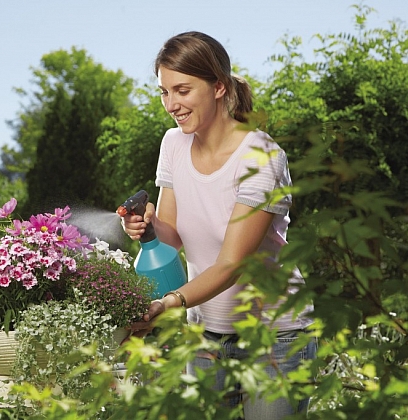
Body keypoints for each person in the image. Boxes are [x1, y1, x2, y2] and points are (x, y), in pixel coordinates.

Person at [120, 31, 316, 419]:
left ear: (218, 87)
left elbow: (231, 263)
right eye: (163, 92)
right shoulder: (173, 144)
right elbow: (174, 234)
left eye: (182, 90)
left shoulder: (260, 156)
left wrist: (168, 302)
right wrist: (150, 224)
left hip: (275, 337)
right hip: (207, 336)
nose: (171, 105)